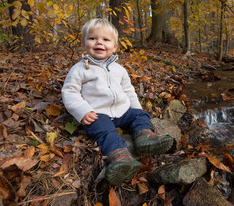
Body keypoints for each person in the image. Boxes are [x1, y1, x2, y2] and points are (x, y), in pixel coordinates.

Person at [62, 18, 173, 185]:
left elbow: (129, 91)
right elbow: (70, 92)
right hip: (98, 113)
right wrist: (83, 111)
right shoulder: (79, 69)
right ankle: (120, 157)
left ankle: (144, 137)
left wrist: (136, 109)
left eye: (106, 40)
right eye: (93, 38)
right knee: (105, 131)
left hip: (122, 111)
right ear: (84, 43)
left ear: (114, 47)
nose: (99, 42)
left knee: (140, 115)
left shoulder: (119, 70)